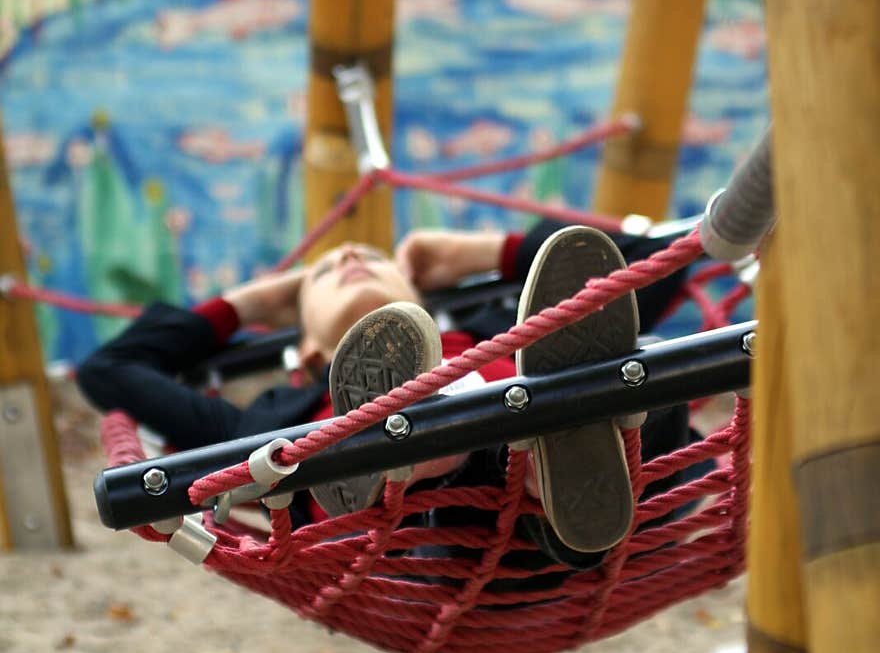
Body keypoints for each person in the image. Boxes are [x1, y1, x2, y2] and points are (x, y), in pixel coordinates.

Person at [76, 219, 693, 565]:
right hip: (439, 550)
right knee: (436, 492)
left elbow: (664, 259)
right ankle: (458, 453)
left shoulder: (505, 330)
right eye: (324, 273)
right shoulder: (274, 419)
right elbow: (110, 368)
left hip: (605, 509)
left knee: (644, 368)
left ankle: (548, 453)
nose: (346, 251)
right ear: (309, 350)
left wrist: (474, 251)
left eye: (370, 255)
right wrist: (255, 303)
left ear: (421, 299)